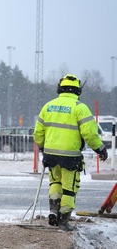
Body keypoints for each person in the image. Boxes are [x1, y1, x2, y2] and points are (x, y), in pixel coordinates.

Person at [33, 74, 108, 231]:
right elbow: (90, 133)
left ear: (60, 88)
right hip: (70, 157)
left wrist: (42, 147)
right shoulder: (79, 107)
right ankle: (64, 220)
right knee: (69, 188)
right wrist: (99, 148)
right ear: (77, 90)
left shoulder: (48, 106)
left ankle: (53, 212)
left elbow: (38, 132)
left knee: (55, 183)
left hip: (51, 155)